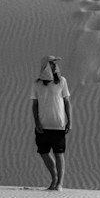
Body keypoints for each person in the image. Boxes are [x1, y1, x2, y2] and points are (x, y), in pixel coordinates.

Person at [31, 55, 71, 190]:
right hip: (43, 125)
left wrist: (69, 121)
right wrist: (37, 122)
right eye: (52, 63)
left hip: (58, 124)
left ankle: (60, 183)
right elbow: (34, 104)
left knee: (59, 154)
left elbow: (66, 101)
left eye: (55, 63)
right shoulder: (37, 84)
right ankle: (54, 178)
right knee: (43, 152)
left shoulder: (61, 81)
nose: (54, 66)